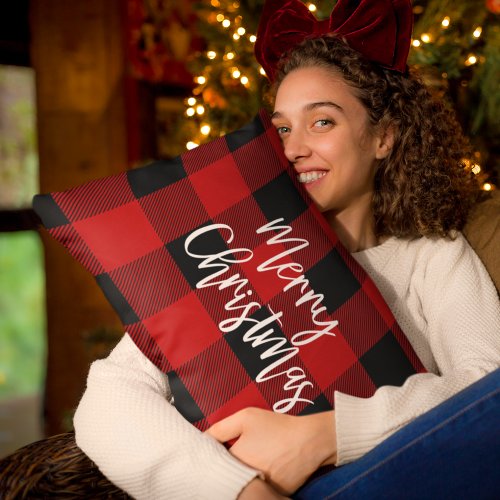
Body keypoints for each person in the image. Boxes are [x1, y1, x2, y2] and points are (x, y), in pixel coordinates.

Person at [73, 0, 500, 498]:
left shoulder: (431, 253)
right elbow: (107, 398)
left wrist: (326, 435)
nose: (293, 147)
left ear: (383, 136)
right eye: (281, 128)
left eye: (322, 122)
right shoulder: (231, 253)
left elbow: (485, 391)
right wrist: (241, 489)